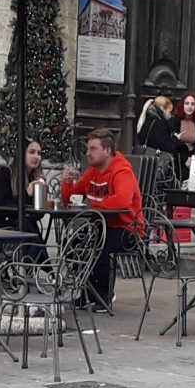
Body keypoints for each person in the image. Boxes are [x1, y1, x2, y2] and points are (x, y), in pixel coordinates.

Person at [57, 129, 144, 312]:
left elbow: (122, 201)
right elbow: (69, 199)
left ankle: (104, 295)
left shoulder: (122, 171)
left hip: (128, 229)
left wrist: (94, 206)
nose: (88, 153)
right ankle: (88, 291)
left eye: (93, 148)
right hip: (101, 226)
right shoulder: (93, 172)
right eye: (88, 148)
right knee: (71, 243)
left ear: (107, 150)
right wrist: (67, 182)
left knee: (98, 244)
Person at [140, 91, 195, 184]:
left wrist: (193, 160)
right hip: (176, 163)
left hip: (192, 164)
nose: (190, 106)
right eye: (187, 103)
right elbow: (170, 144)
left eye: (192, 104)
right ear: (182, 105)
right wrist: (185, 159)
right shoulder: (173, 122)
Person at [0, 138, 44, 228]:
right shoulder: (5, 173)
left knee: (28, 227)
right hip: (0, 225)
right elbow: (2, 207)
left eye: (39, 153)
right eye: (32, 152)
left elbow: (39, 214)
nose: (36, 157)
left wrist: (41, 199)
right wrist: (27, 194)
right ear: (22, 154)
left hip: (23, 224)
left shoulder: (35, 178)